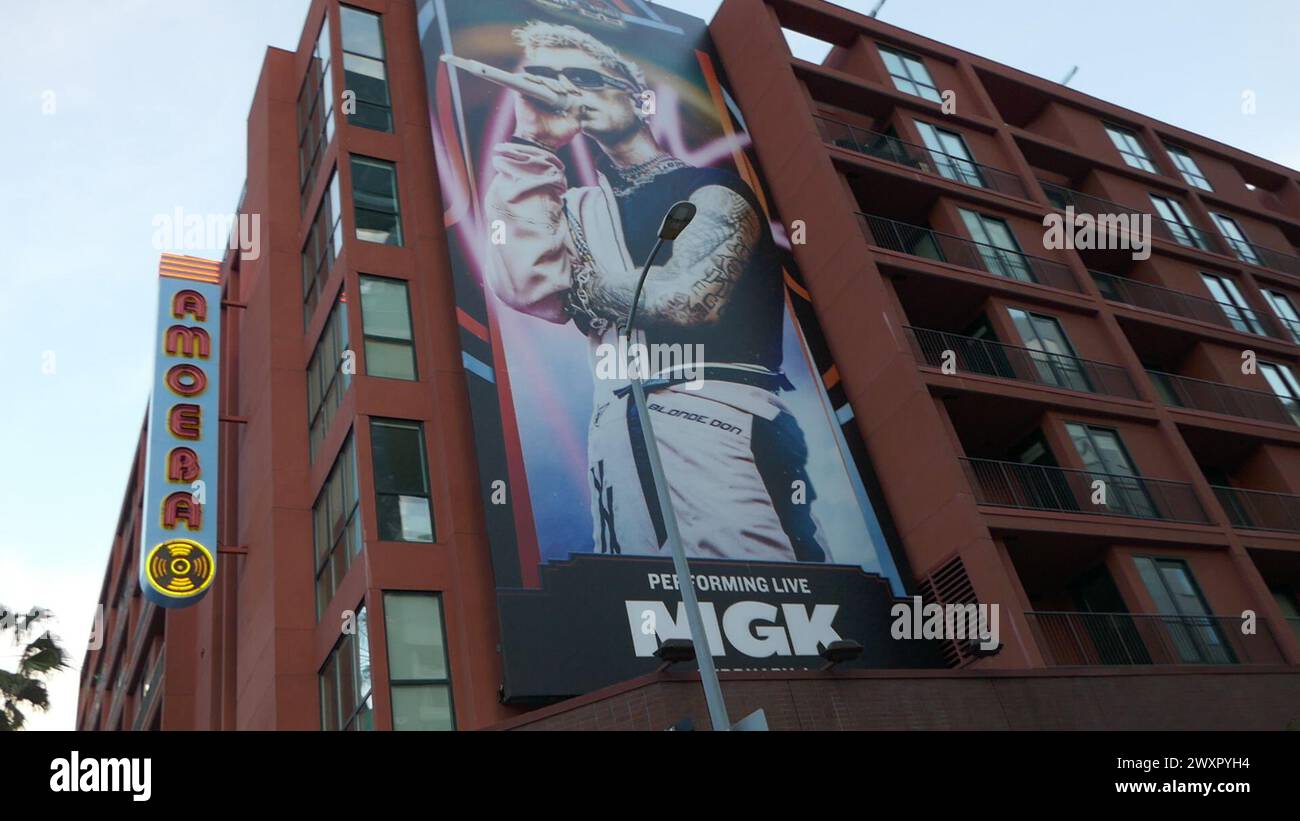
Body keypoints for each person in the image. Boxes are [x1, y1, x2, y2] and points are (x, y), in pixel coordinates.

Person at [485, 21, 831, 564]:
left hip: (717, 408)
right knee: (645, 604)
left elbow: (685, 301)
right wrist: (532, 145)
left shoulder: (712, 188)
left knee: (757, 577)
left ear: (634, 94)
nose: (568, 90)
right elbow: (527, 286)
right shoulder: (577, 204)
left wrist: (590, 288)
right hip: (615, 422)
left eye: (584, 77)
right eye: (547, 79)